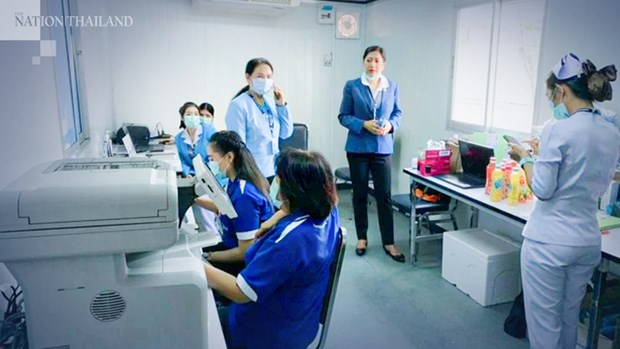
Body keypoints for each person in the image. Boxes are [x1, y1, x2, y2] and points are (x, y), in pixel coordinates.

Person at [509, 53, 619, 349]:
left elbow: (543, 189)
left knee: (545, 326)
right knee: (570, 318)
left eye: (552, 94)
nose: (552, 101)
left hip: (549, 243)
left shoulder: (557, 129)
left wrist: (525, 159)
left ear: (562, 90)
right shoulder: (611, 130)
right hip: (586, 241)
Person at [203, 148, 339, 349]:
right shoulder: (328, 214)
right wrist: (273, 219)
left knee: (201, 324)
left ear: (291, 189)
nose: (275, 181)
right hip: (300, 323)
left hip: (264, 334)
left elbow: (241, 292)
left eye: (279, 177)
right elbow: (288, 210)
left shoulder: (288, 243)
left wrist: (197, 265)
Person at [337, 45, 404, 262]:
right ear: (363, 62)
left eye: (376, 60)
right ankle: (362, 237)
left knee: (384, 197)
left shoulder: (391, 86)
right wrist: (363, 124)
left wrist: (390, 126)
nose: (372, 64)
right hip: (357, 149)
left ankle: (389, 242)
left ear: (383, 64)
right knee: (360, 194)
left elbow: (397, 113)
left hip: (382, 149)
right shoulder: (352, 86)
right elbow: (343, 116)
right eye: (368, 60)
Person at [196, 131, 274, 276]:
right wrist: (193, 198)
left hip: (246, 264)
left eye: (212, 159)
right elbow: (226, 208)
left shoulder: (245, 195)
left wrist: (207, 257)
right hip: (233, 245)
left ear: (229, 157)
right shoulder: (234, 182)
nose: (210, 164)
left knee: (196, 265)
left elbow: (244, 252)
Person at [225, 57, 293, 182]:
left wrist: (281, 105)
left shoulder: (271, 103)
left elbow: (286, 133)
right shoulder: (238, 105)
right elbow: (239, 146)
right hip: (253, 172)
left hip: (274, 169)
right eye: (260, 76)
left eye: (269, 77)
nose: (265, 80)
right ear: (248, 77)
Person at [175, 101, 217, 176]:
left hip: (212, 175)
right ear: (182, 117)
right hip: (193, 177)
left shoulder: (208, 131)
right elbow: (183, 161)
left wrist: (207, 173)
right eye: (189, 114)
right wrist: (188, 173)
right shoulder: (178, 139)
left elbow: (217, 156)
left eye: (196, 114)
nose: (193, 117)